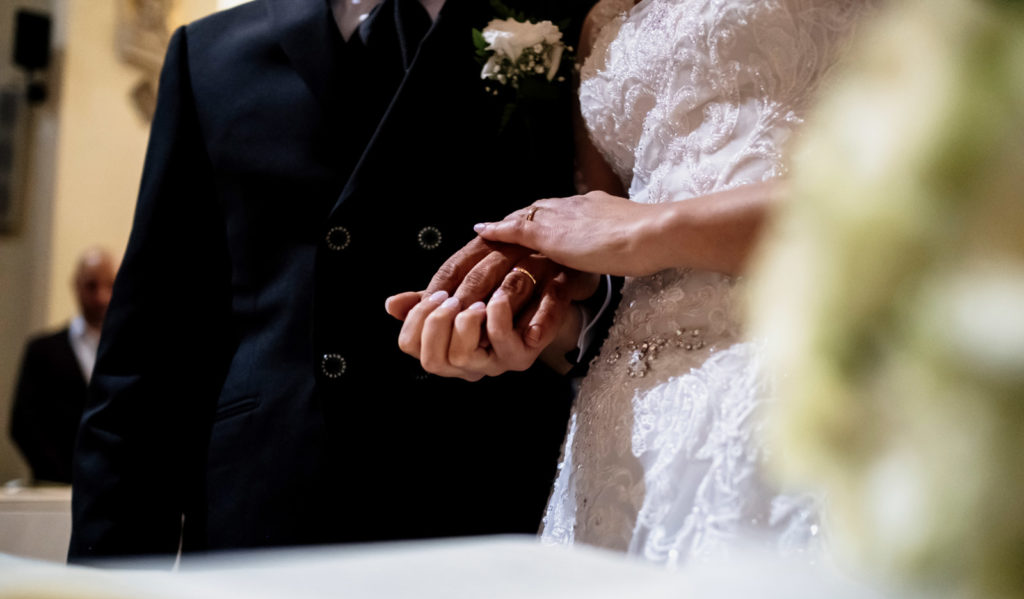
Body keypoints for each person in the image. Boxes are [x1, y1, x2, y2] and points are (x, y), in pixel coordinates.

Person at [69, 0, 598, 562]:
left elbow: (615, 272)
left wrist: (560, 318)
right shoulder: (211, 54)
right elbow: (153, 349)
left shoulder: (557, 22)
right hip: (267, 505)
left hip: (488, 496)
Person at [394, 0, 877, 565]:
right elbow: (615, 271)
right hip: (629, 427)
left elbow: (953, 179)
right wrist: (529, 319)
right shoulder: (590, 10)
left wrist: (650, 230)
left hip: (806, 373)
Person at [10, 247, 116, 484]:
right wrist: (64, 477)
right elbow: (23, 423)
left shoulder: (130, 351)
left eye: (110, 286)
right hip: (56, 484)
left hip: (113, 488)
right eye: (91, 286)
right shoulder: (43, 349)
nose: (101, 296)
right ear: (76, 286)